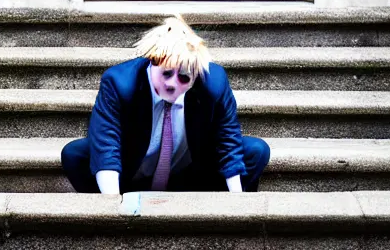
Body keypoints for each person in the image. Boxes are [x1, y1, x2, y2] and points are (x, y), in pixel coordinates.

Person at [61, 16, 270, 194]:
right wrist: (114, 207)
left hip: (192, 175)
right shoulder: (119, 83)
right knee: (75, 154)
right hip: (131, 173)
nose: (172, 84)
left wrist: (238, 205)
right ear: (153, 62)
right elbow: (107, 145)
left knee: (256, 150)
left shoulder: (213, 83)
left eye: (183, 78)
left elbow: (228, 141)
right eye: (167, 74)